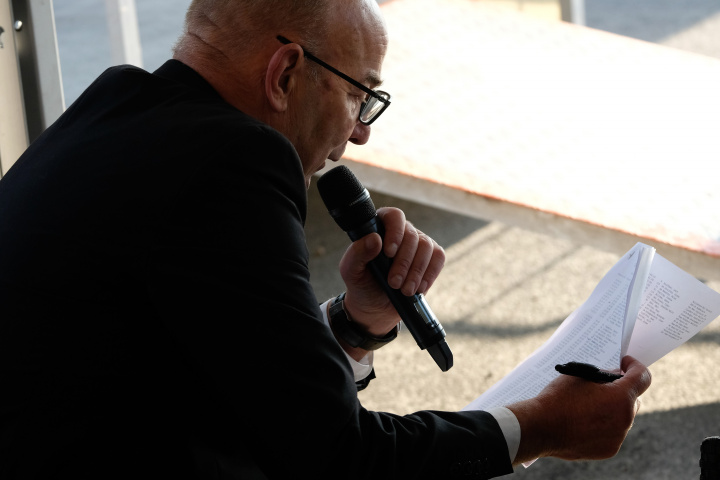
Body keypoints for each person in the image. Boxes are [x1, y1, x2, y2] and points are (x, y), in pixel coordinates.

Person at [0, 0, 651, 479]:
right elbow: (337, 459)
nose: (361, 132)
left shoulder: (117, 107)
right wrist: (537, 426)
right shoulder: (233, 161)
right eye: (360, 95)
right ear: (285, 74)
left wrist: (355, 323)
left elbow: (248, 380)